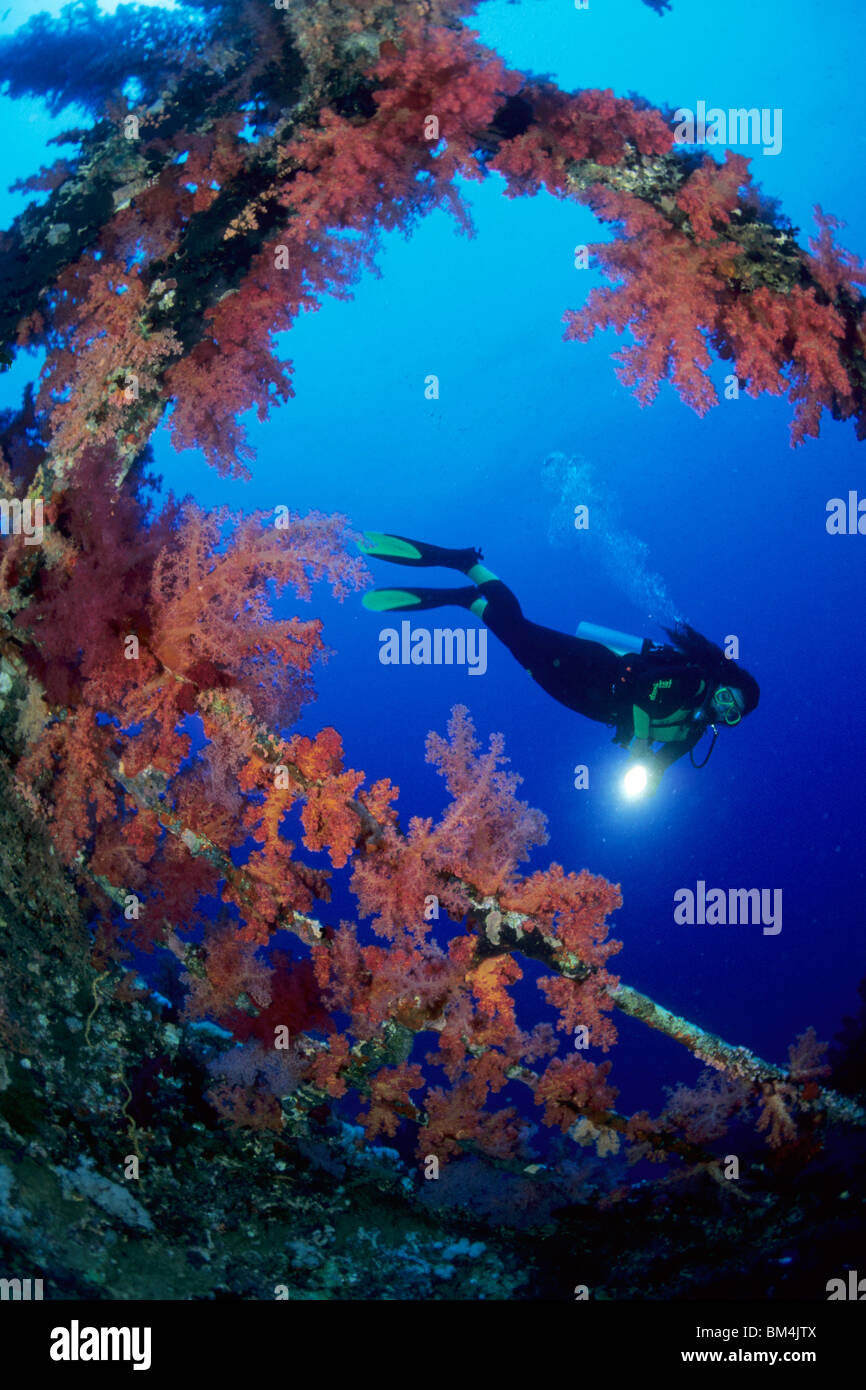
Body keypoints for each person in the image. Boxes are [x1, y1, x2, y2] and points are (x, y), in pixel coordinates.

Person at [359, 532, 759, 794]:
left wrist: (648, 776)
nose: (723, 708)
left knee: (520, 650)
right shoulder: (693, 680)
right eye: (728, 697)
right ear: (724, 681)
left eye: (731, 713)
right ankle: (466, 565)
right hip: (595, 668)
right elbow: (641, 685)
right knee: (520, 630)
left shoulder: (692, 736)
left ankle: (470, 599)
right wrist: (639, 744)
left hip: (589, 703)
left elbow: (659, 764)